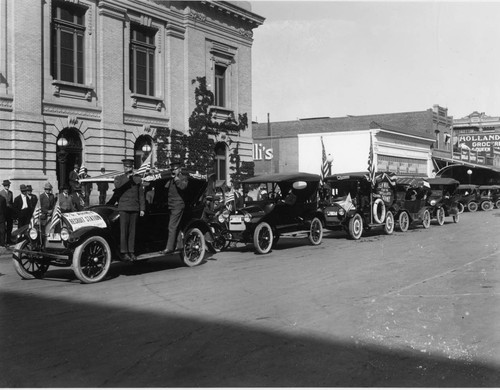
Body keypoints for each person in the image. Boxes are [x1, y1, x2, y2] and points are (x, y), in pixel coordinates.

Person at [114, 158, 145, 261]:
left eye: (130, 167)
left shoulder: (137, 179)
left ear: (132, 167)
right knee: (124, 231)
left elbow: (141, 195)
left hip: (134, 208)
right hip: (123, 208)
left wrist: (142, 208)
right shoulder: (119, 178)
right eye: (126, 167)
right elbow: (118, 186)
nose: (128, 168)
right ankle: (124, 252)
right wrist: (127, 177)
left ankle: (131, 251)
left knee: (132, 232)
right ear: (124, 167)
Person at [161, 161, 188, 254]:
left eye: (175, 169)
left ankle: (169, 248)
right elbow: (164, 189)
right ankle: (179, 245)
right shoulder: (171, 180)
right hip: (171, 205)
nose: (173, 171)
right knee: (176, 225)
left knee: (171, 226)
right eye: (172, 169)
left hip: (178, 205)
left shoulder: (183, 178)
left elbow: (183, 187)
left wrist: (176, 178)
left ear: (179, 169)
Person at [0, 179, 14, 244]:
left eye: (8, 185)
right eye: (6, 185)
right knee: (2, 228)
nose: (7, 186)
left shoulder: (11, 193)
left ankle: (9, 240)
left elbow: (11, 202)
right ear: (4, 186)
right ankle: (2, 241)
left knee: (9, 227)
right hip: (3, 212)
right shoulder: (1, 193)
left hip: (9, 212)